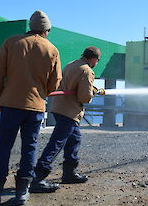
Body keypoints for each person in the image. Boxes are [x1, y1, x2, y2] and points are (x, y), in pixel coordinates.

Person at [0, 11, 62, 206]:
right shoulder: (52, 49)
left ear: (30, 27)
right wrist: (42, 93)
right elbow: (55, 82)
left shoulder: (11, 42)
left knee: (3, 146)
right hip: (35, 107)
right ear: (46, 30)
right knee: (29, 147)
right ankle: (22, 191)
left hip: (10, 104)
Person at [30, 46, 101, 193]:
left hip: (59, 107)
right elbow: (84, 97)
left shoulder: (71, 64)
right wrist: (93, 91)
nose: (96, 63)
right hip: (70, 110)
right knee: (57, 143)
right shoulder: (87, 71)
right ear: (93, 59)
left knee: (74, 139)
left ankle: (69, 173)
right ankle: (38, 176)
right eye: (97, 60)